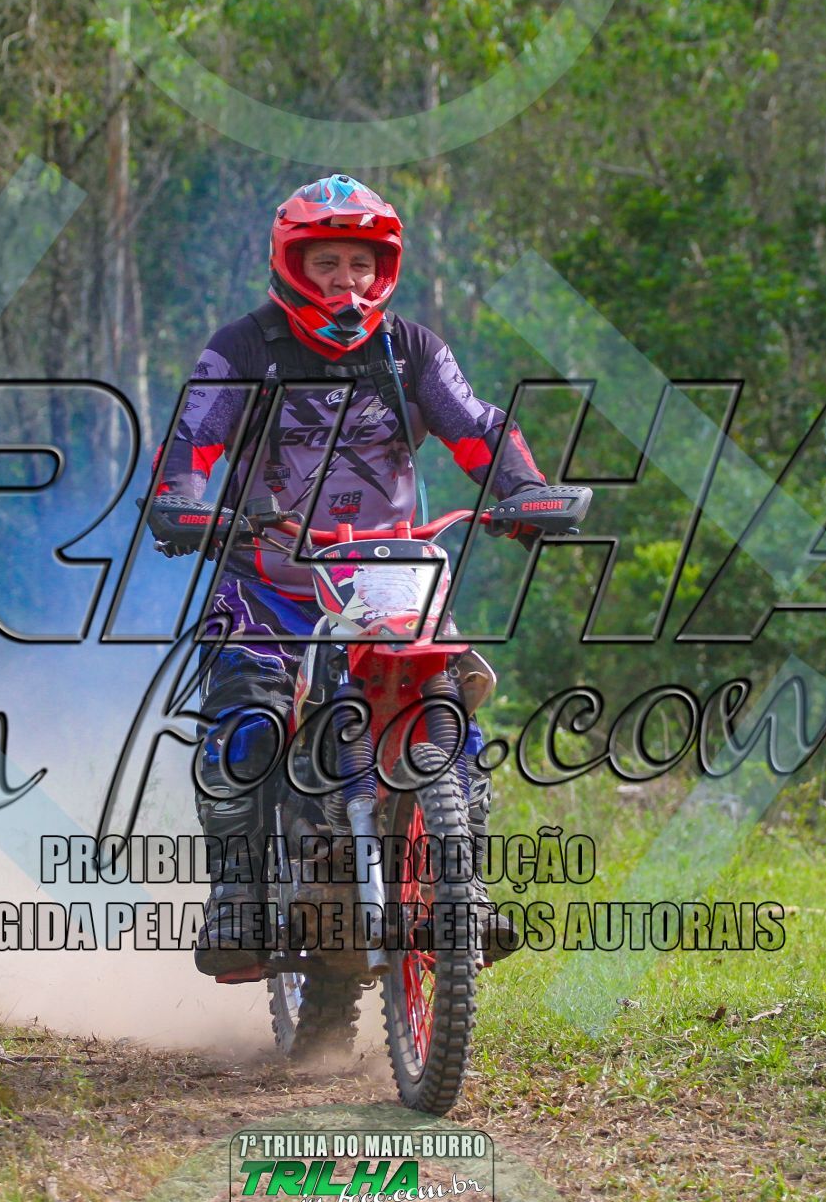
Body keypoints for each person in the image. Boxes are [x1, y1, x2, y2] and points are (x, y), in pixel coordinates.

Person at [150, 174, 558, 980]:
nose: (348, 281)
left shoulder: (413, 350)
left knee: (448, 703)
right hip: (267, 580)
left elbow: (478, 429)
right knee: (246, 714)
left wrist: (525, 491)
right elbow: (194, 440)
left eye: (362, 264)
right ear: (292, 263)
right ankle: (237, 895)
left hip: (388, 578)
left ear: (385, 269)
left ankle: (462, 887)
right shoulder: (242, 348)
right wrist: (181, 500)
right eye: (328, 263)